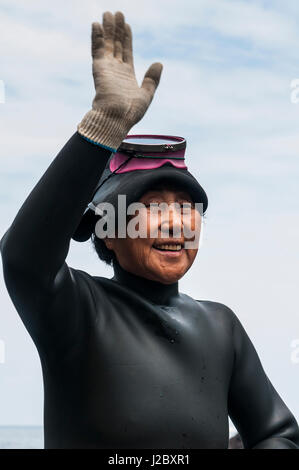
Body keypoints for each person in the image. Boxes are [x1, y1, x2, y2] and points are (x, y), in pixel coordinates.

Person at [1, 11, 299, 450]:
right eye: (152, 207)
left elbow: (279, 435)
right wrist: (102, 128)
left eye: (186, 207)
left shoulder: (220, 326)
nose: (176, 222)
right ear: (107, 227)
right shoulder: (75, 309)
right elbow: (24, 258)